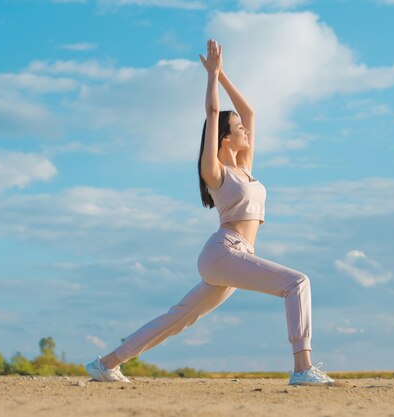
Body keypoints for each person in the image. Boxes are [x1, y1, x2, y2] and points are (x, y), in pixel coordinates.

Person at [86, 39, 334, 386]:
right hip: (224, 252)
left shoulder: (245, 167)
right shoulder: (215, 172)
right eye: (239, 130)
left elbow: (249, 113)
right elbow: (213, 114)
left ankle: (106, 364)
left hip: (237, 256)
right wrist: (210, 79)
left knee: (178, 318)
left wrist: (222, 75)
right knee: (296, 283)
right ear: (224, 138)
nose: (246, 130)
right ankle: (302, 368)